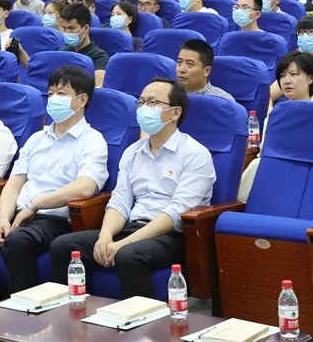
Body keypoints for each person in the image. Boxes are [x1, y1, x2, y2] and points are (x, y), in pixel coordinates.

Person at [0, 66, 108, 295]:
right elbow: (14, 184)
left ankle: (25, 310)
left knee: (17, 240)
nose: (53, 99)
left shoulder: (93, 141)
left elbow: (85, 187)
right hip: (18, 213)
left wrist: (35, 204)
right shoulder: (37, 139)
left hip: (54, 219)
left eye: (62, 94)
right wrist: (3, 219)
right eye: (51, 93)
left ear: (82, 100)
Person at [49, 77, 215, 298]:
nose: (144, 109)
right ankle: (75, 312)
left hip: (173, 236)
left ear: (175, 113)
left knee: (128, 255)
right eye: (141, 102)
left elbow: (176, 212)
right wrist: (105, 237)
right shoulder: (133, 152)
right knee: (63, 246)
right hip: (131, 228)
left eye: (153, 103)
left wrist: (123, 244)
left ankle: (144, 319)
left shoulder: (196, 154)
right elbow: (120, 201)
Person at [238, 51, 313, 202]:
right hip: (271, 177)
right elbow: (264, 153)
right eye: (282, 75)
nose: (286, 80)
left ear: (310, 78)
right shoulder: (274, 116)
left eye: (294, 74)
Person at [267, 16, 313, 104]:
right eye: (301, 32)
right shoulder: (293, 63)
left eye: (311, 32)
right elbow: (268, 96)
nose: (305, 36)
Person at [58, 4, 109, 85]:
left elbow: (97, 86)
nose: (67, 32)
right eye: (64, 28)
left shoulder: (99, 57)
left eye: (71, 28)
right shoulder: (62, 52)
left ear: (86, 28)